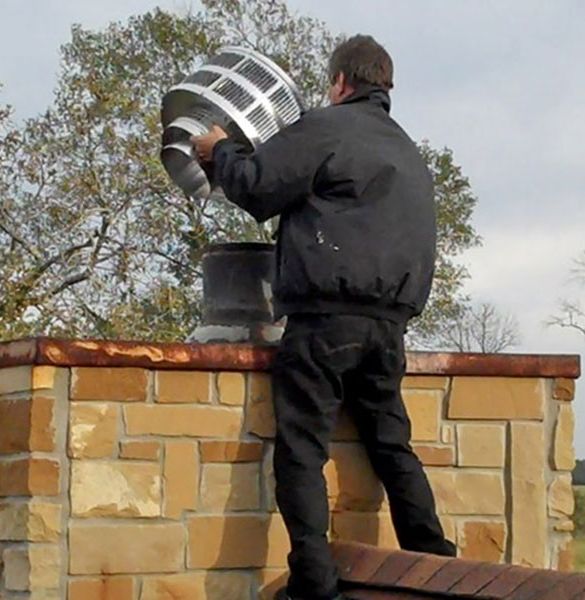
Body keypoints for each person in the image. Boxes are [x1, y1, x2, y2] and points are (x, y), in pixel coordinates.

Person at [192, 34, 456, 600]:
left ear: (340, 83)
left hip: (324, 321)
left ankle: (314, 584)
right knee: (391, 444)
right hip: (389, 327)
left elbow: (259, 187)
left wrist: (219, 151)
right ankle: (437, 567)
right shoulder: (407, 150)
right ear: (384, 85)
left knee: (302, 448)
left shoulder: (329, 126)